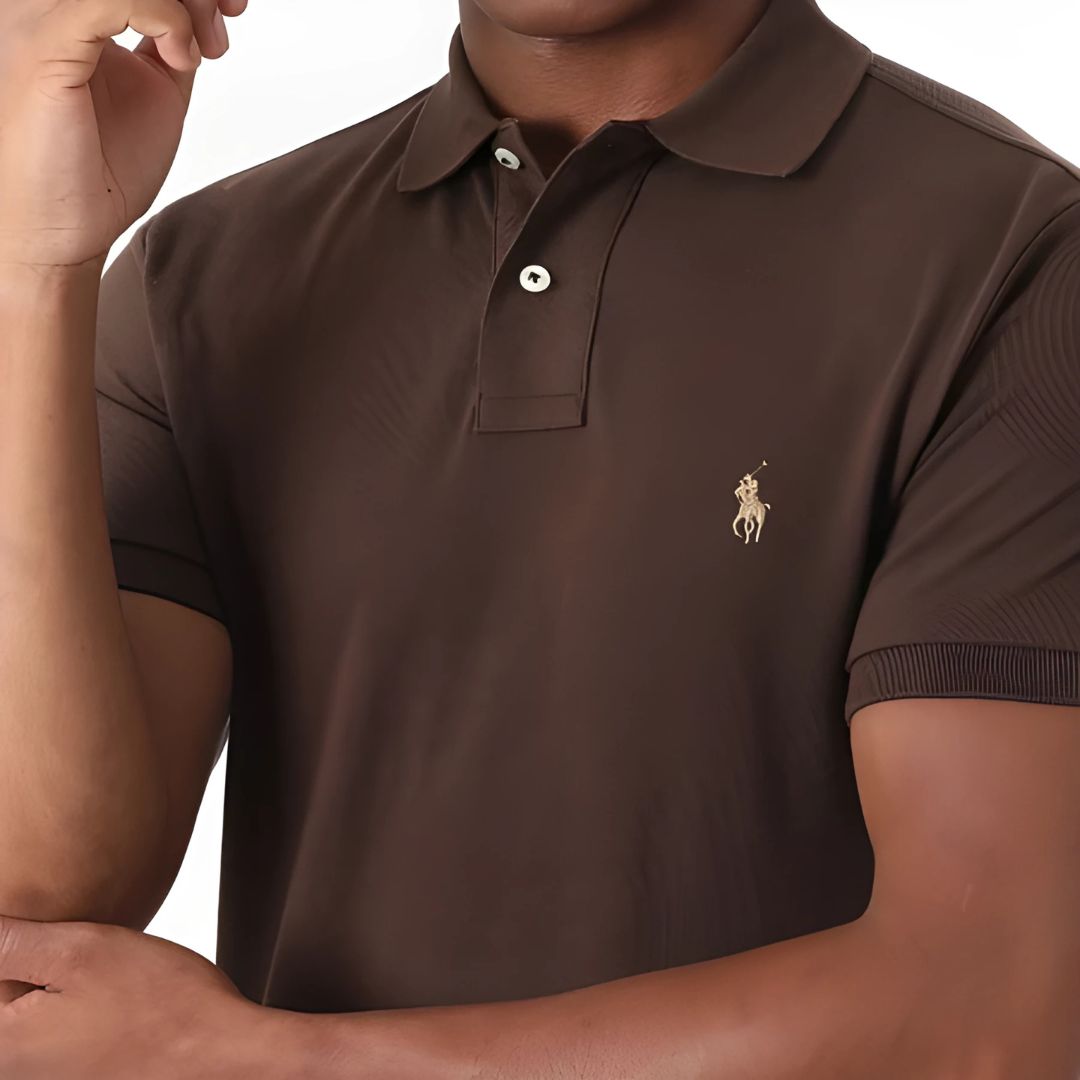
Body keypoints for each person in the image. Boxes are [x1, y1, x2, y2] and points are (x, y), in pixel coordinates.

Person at [1, 0, 1078, 1074]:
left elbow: (991, 1004)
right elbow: (39, 911)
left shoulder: (1012, 255)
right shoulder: (203, 276)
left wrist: (261, 1061)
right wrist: (34, 267)